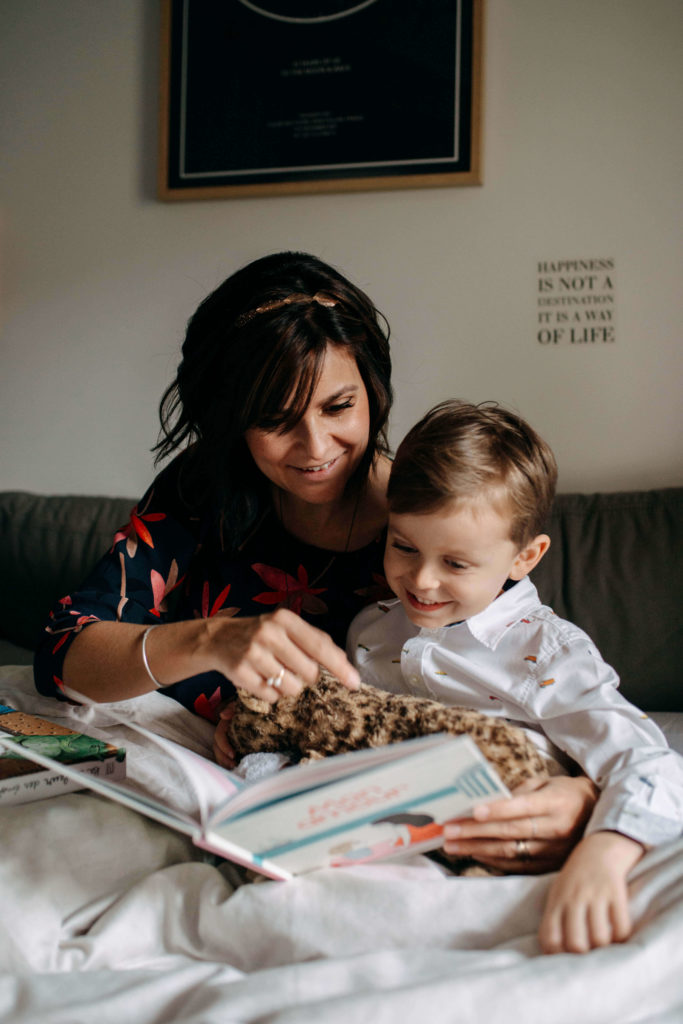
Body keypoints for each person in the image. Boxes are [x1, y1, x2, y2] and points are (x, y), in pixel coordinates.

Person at [33, 251, 595, 872]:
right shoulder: (204, 490)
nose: (315, 448)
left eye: (338, 407)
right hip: (198, 768)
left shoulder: (431, 529)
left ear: (374, 392)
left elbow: (527, 690)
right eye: (275, 420)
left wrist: (579, 793)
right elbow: (65, 650)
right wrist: (213, 639)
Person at [347, 399, 683, 953]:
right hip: (381, 839)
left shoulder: (545, 653)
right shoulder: (370, 631)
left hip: (499, 857)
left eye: (455, 563)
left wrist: (605, 850)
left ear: (525, 558)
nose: (421, 581)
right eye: (403, 546)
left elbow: (649, 763)